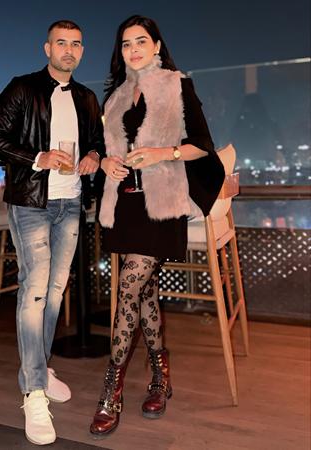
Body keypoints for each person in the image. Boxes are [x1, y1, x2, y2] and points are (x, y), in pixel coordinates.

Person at [90, 15, 225, 438]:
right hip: (126, 205)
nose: (133, 49)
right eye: (126, 43)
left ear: (157, 46)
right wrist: (107, 162)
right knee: (144, 292)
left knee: (128, 286)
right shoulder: (114, 97)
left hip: (162, 204)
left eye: (141, 41)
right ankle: (160, 376)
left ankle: (110, 390)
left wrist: (162, 152)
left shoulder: (176, 85)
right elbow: (105, 148)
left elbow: (202, 145)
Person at [0, 19, 104, 446]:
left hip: (71, 203)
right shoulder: (22, 88)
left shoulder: (87, 97)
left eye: (76, 44)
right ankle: (34, 391)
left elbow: (97, 142)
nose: (69, 50)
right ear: (47, 48)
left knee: (54, 292)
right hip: (31, 202)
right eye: (61, 43)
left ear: (82, 51)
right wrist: (38, 157)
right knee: (35, 290)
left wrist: (93, 156)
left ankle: (39, 367)